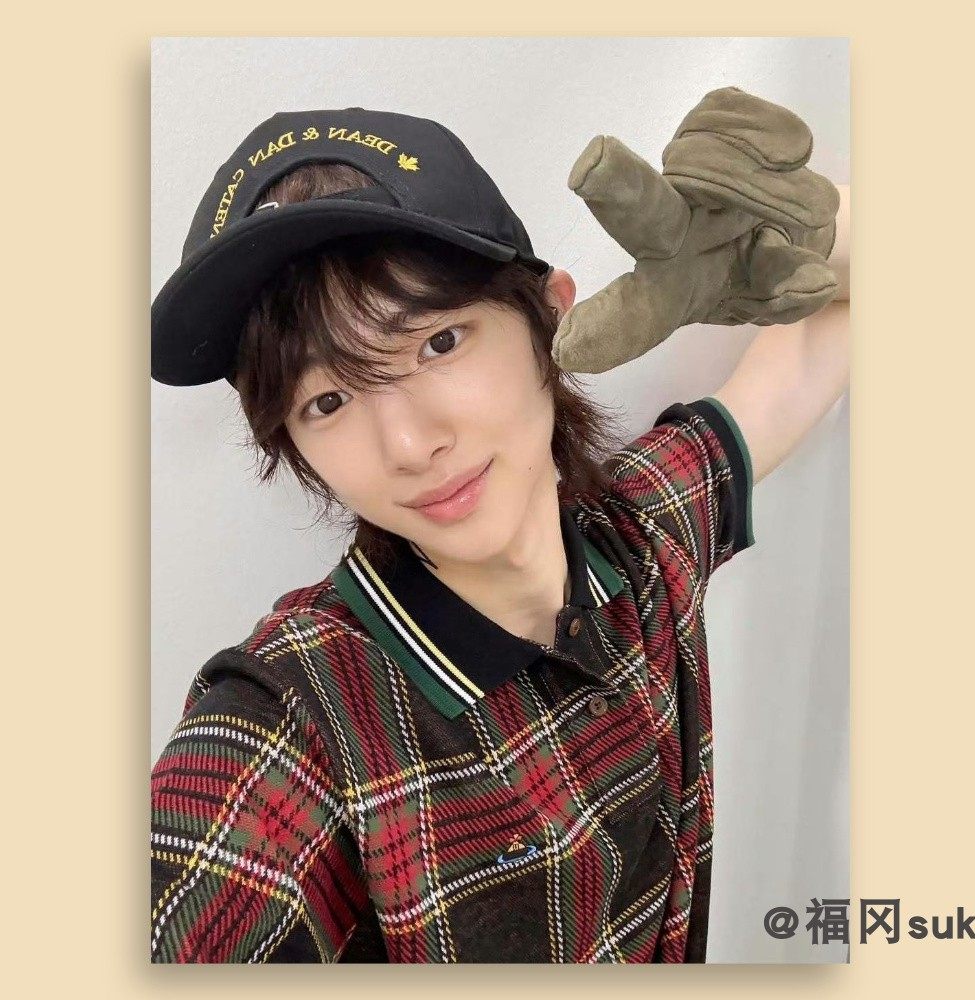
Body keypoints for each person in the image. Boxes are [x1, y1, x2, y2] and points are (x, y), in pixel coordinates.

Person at [150, 106, 849, 963]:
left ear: (549, 317)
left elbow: (832, 328)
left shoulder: (640, 536)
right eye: (326, 401)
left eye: (437, 343)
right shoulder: (294, 720)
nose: (409, 446)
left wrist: (768, 241)